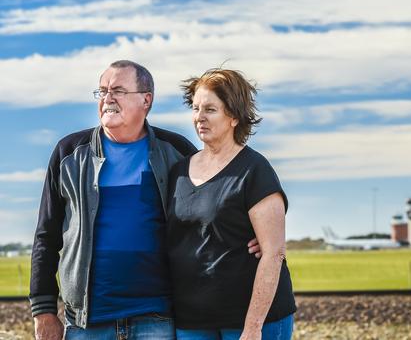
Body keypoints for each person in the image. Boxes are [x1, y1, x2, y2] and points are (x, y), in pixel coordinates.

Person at [29, 60, 261, 340]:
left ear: (146, 100)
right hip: (86, 322)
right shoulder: (69, 154)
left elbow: (213, 205)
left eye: (118, 90)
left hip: (157, 316)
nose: (107, 99)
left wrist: (254, 234)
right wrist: (43, 310)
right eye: (102, 91)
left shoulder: (176, 151)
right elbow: (46, 235)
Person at [167, 68, 296, 340]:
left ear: (234, 116)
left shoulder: (254, 170)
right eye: (196, 108)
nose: (199, 117)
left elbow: (273, 253)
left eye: (210, 109)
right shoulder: (178, 171)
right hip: (192, 320)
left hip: (249, 321)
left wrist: (252, 328)